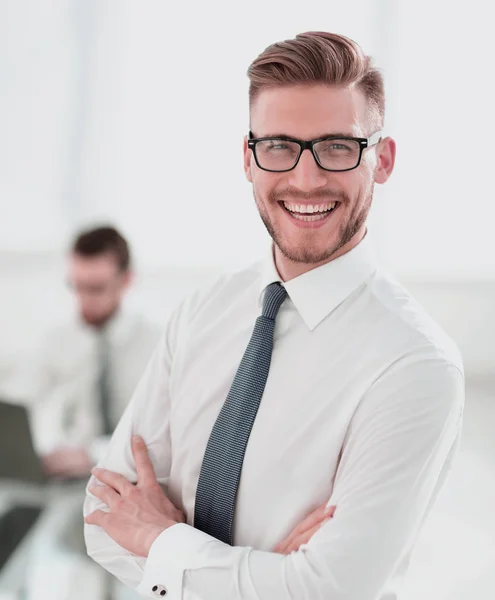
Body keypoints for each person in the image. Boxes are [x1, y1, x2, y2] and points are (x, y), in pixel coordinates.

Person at [83, 32, 464, 599]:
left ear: (380, 161)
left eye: (337, 146)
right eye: (280, 146)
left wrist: (162, 541)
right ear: (248, 158)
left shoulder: (414, 364)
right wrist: (265, 572)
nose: (306, 179)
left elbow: (327, 590)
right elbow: (104, 521)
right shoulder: (202, 312)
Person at [29, 226, 161, 479]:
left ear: (126, 280)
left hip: (130, 474)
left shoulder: (156, 344)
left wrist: (92, 454)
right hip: (64, 478)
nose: (83, 299)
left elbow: (157, 432)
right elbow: (37, 412)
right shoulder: (55, 342)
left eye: (96, 288)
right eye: (76, 286)